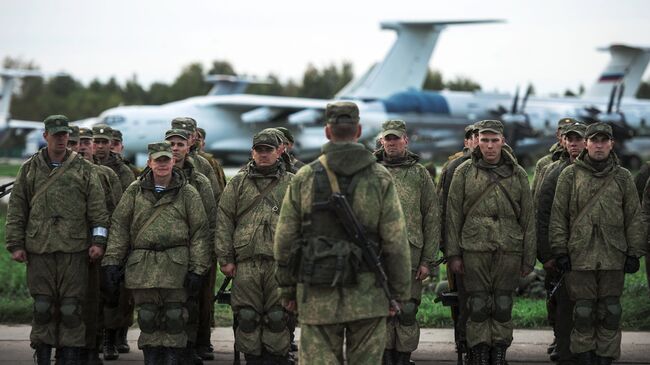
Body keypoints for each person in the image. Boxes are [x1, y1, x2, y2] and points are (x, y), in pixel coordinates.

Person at [274, 101, 411, 365]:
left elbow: (284, 240)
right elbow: (396, 241)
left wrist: (287, 291)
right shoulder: (380, 177)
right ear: (358, 130)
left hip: (317, 294)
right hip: (369, 295)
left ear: (327, 131)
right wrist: (398, 294)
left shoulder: (304, 177)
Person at [5, 115, 110, 365]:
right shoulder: (29, 169)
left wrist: (98, 241)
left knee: (71, 308)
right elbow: (17, 209)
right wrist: (15, 244)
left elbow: (98, 210)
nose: (62, 139)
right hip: (39, 248)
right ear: (46, 136)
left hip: (74, 250)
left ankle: (69, 356)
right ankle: (42, 353)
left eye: (65, 135)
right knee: (43, 307)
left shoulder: (84, 169)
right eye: (56, 135)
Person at [102, 141, 211, 365]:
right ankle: (152, 359)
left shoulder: (188, 193)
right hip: (143, 265)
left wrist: (198, 269)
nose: (162, 165)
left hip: (176, 264)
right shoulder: (134, 190)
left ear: (173, 162)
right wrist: (112, 262)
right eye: (157, 160)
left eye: (166, 160)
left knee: (174, 317)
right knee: (148, 316)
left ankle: (172, 360)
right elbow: (120, 227)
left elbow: (200, 232)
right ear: (149, 163)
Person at [549, 122, 646, 365]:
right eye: (594, 140)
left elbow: (633, 217)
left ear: (611, 144)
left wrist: (635, 252)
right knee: (583, 312)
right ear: (587, 144)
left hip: (614, 255)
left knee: (610, 311)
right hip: (579, 255)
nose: (599, 145)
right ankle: (584, 356)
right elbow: (558, 216)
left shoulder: (623, 177)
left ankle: (605, 357)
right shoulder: (569, 176)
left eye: (604, 140)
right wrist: (560, 249)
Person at [446, 119, 536, 365]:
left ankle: (499, 350)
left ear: (502, 141)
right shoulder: (464, 172)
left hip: (509, 248)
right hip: (474, 248)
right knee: (477, 304)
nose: (488, 146)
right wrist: (453, 255)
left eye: (494, 140)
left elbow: (528, 218)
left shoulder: (517, 173)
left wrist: (529, 257)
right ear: (478, 142)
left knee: (503, 304)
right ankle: (479, 351)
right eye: (484, 140)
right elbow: (453, 216)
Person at [215, 130, 294, 364]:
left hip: (280, 264)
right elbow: (224, 220)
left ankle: (276, 359)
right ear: (252, 152)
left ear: (278, 152)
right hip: (245, 264)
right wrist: (225, 258)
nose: (263, 155)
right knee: (247, 318)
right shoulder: (238, 183)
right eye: (259, 150)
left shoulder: (292, 182)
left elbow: (302, 222)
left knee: (278, 317)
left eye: (268, 150)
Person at [375, 119, 440, 365]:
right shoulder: (370, 171)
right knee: (381, 310)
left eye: (396, 138)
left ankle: (403, 358)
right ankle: (384, 358)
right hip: (377, 254)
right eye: (387, 138)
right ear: (381, 140)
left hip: (411, 253)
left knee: (407, 311)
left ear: (405, 140)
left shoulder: (420, 174)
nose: (391, 143)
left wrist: (428, 260)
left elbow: (432, 218)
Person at [535, 121, 586, 365]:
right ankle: (564, 349)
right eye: (570, 138)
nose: (574, 144)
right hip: (563, 252)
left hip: (596, 253)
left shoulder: (613, 172)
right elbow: (542, 214)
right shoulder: (553, 171)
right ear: (562, 140)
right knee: (562, 304)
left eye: (579, 138)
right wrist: (547, 255)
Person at [165, 128, 217, 364]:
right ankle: (165, 347)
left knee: (192, 302)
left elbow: (212, 216)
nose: (175, 149)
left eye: (180, 144)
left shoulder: (200, 178)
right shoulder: (151, 176)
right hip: (162, 252)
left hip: (193, 248)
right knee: (163, 303)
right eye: (171, 144)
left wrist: (208, 252)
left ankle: (190, 346)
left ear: (189, 146)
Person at [75, 127, 123, 364]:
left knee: (100, 297)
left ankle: (100, 342)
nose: (83, 146)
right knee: (72, 299)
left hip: (99, 244)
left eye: (87, 142)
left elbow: (115, 212)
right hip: (70, 246)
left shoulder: (106, 174)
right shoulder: (64, 173)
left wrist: (109, 246)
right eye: (79, 142)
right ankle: (71, 347)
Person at [435, 123, 477, 362]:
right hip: (460, 246)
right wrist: (448, 247)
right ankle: (463, 344)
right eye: (471, 137)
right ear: (466, 142)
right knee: (462, 301)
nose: (475, 142)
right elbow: (445, 209)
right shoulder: (455, 167)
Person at [93, 124, 135, 360]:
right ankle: (94, 338)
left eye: (103, 142)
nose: (99, 146)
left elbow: (125, 210)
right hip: (87, 239)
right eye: (95, 141)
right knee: (91, 294)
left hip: (114, 240)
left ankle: (111, 338)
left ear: (112, 144)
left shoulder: (123, 172)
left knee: (113, 292)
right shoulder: (82, 167)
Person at [171, 117, 222, 201]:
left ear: (194, 137)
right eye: (178, 134)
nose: (183, 138)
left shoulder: (204, 163)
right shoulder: (159, 161)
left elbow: (216, 197)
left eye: (187, 135)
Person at [531, 118, 574, 198]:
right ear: (558, 135)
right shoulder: (544, 163)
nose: (565, 137)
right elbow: (535, 194)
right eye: (563, 133)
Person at [93, 125, 136, 192]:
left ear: (110, 144)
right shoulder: (84, 166)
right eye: (96, 142)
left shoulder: (123, 170)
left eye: (104, 142)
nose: (100, 146)